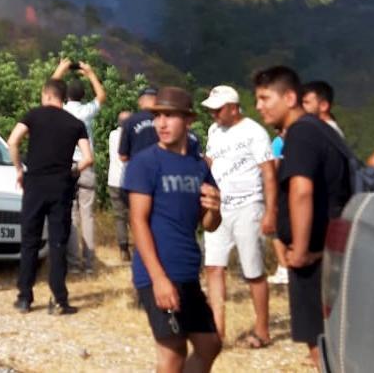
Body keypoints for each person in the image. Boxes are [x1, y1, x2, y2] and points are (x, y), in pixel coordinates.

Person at [254, 66, 349, 367]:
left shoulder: (301, 134)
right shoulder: (320, 128)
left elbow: (301, 191)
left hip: (315, 257)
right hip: (332, 246)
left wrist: (301, 249)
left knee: (321, 347)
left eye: (265, 98)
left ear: (290, 97)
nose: (259, 106)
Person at [125, 86, 223, 373]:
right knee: (172, 355)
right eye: (157, 116)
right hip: (158, 272)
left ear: (189, 120)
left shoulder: (198, 166)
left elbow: (209, 225)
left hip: (187, 272)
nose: (161, 123)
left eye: (170, 116)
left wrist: (215, 208)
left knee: (210, 344)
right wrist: (158, 278)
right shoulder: (145, 163)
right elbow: (138, 221)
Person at [7, 78, 93, 315]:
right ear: (63, 97)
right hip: (61, 187)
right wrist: (72, 171)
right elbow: (88, 158)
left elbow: (13, 141)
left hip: (34, 183)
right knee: (58, 243)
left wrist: (19, 170)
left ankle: (25, 297)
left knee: (30, 241)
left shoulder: (33, 116)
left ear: (46, 94)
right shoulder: (75, 123)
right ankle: (59, 299)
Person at [200, 85, 276, 350]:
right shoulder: (213, 131)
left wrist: (270, 211)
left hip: (248, 206)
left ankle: (263, 330)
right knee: (213, 266)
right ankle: (217, 333)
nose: (214, 115)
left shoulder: (254, 132)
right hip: (218, 206)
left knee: (253, 270)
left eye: (218, 110)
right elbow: (209, 162)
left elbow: (268, 172)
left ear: (233, 107)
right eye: (210, 110)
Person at [53, 58, 107, 274]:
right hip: (87, 167)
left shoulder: (61, 111)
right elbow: (101, 97)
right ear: (83, 96)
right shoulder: (87, 112)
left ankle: (74, 263)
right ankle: (90, 264)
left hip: (67, 167)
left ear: (65, 96)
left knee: (72, 215)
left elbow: (49, 93)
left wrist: (60, 70)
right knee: (88, 216)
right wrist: (91, 73)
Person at [107, 109, 132, 262]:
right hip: (129, 181)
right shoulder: (131, 136)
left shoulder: (112, 135)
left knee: (119, 217)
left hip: (114, 180)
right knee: (134, 216)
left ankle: (123, 249)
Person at [266, 127, 289, 287]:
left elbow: (274, 167)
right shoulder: (281, 142)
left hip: (283, 191)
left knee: (276, 231)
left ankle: (284, 268)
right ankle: (285, 267)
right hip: (287, 190)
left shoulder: (279, 142)